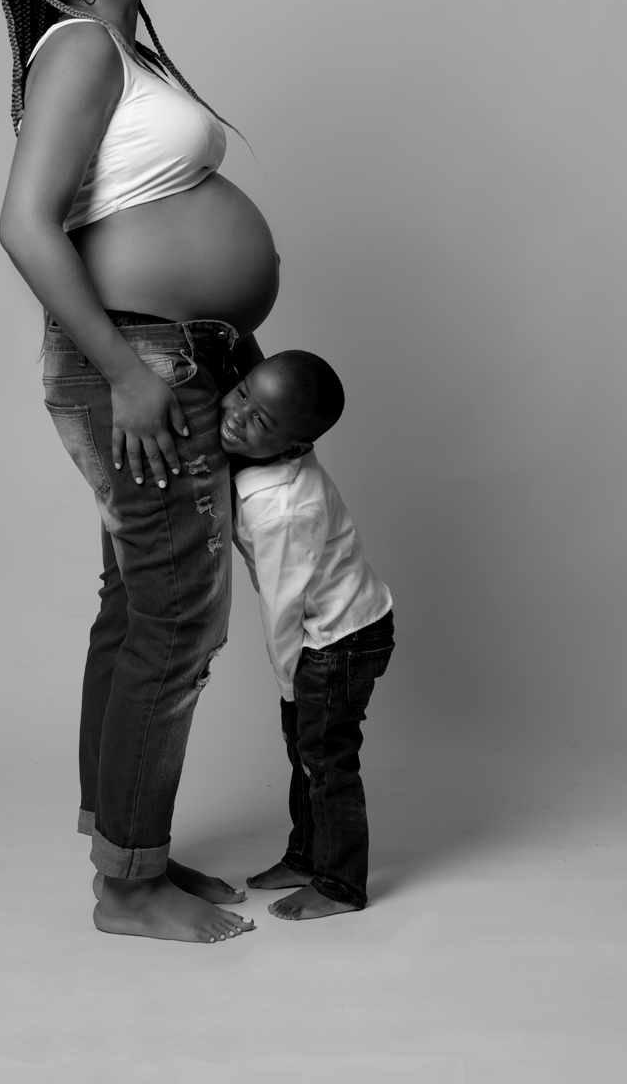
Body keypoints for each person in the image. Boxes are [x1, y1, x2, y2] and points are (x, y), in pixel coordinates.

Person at [0, 0, 279, 943]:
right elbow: (26, 225)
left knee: (136, 604)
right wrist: (128, 370)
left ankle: (127, 844)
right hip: (135, 359)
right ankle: (128, 886)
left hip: (170, 355)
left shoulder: (120, 51)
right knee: (176, 612)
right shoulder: (77, 48)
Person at [220, 350, 395, 919]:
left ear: (295, 446)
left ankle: (341, 884)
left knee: (325, 759)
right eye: (242, 392)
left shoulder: (284, 509)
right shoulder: (263, 463)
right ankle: (304, 856)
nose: (238, 415)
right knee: (305, 754)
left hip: (338, 640)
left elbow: (282, 606)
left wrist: (290, 683)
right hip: (328, 629)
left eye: (262, 421)